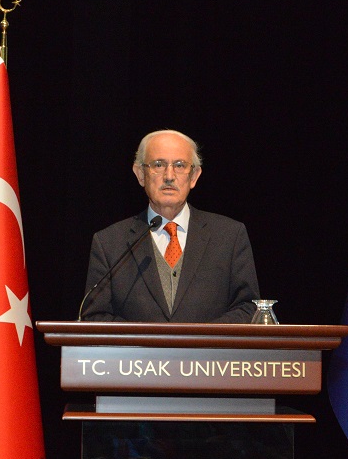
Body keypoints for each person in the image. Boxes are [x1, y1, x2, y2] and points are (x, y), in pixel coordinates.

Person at [81, 129, 260, 322]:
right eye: (158, 165)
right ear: (140, 174)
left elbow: (248, 308)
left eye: (180, 165)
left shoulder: (229, 236)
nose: (169, 176)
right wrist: (146, 339)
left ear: (194, 176)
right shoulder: (109, 243)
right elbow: (94, 316)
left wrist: (201, 338)